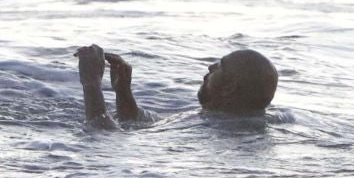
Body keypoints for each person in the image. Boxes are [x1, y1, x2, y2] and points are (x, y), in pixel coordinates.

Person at [76, 43, 278, 126]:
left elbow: (102, 136)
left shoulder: (217, 128)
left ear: (229, 88)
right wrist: (123, 92)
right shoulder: (222, 121)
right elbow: (137, 127)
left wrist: (91, 84)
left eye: (220, 66)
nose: (211, 67)